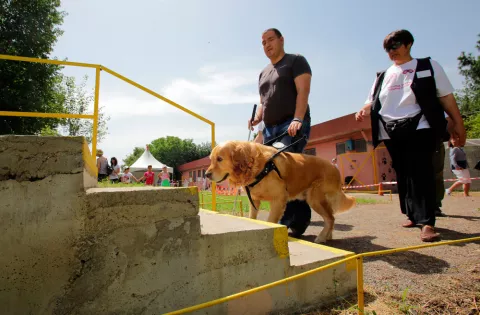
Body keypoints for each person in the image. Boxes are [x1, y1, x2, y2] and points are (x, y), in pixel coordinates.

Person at [355, 29, 466, 242]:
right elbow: (371, 100)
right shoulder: (383, 75)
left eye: (395, 46)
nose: (391, 52)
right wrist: (363, 109)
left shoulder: (428, 66)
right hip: (389, 129)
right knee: (403, 172)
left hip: (420, 124)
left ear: (408, 44)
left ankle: (427, 222)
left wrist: (458, 124)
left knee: (421, 170)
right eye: (387, 49)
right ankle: (412, 215)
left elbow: (447, 98)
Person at [248, 28, 312, 237]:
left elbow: (303, 91)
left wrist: (298, 118)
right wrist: (257, 117)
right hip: (270, 129)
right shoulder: (263, 72)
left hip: (291, 124)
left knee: (284, 170)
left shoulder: (296, 61)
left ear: (281, 40)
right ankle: (297, 222)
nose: (267, 45)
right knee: (275, 173)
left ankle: (287, 222)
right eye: (263, 42)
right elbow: (263, 101)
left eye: (271, 40)